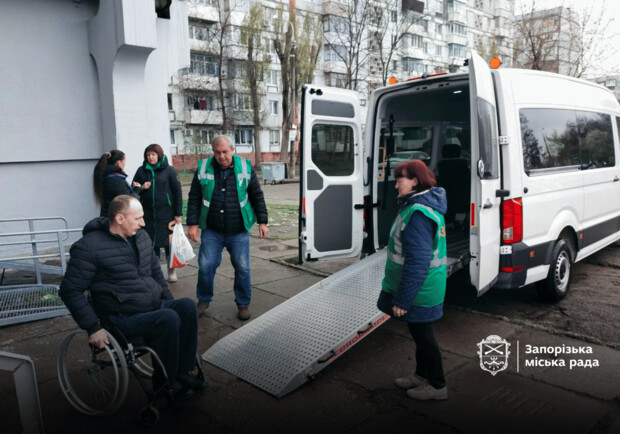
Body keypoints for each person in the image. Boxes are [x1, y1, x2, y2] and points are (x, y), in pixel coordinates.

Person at [59, 195, 207, 402]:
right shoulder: (89, 247)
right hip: (121, 317)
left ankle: (182, 371)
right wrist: (92, 327)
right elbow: (70, 290)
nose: (143, 223)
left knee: (187, 307)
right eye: (138, 218)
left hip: (151, 306)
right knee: (168, 318)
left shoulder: (141, 236)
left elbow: (155, 274)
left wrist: (168, 300)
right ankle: (165, 383)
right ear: (120, 218)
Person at [376, 159, 449, 401]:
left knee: (424, 336)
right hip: (422, 288)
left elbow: (418, 263)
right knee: (419, 334)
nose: (396, 185)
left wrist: (403, 300)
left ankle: (437, 385)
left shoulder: (418, 214)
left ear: (415, 181)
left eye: (400, 180)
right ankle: (421, 375)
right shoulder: (415, 207)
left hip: (421, 291)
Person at [186, 135, 268, 321]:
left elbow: (256, 195)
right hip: (212, 229)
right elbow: (194, 197)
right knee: (206, 266)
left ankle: (243, 303)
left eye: (225, 152)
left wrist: (263, 221)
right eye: (217, 152)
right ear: (213, 152)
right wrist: (192, 224)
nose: (221, 156)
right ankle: (203, 300)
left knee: (243, 268)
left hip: (238, 230)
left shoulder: (245, 167)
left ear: (232, 150)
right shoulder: (203, 167)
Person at [132, 144, 183, 282]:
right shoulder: (141, 171)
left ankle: (171, 271)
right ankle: (155, 272)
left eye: (153, 154)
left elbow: (177, 192)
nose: (150, 157)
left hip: (167, 214)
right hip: (148, 215)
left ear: (159, 155)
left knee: (168, 244)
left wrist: (178, 214)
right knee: (150, 243)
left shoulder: (169, 170)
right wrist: (142, 188)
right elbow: (133, 189)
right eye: (148, 155)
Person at [93, 150, 140, 217]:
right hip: (115, 219)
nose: (125, 164)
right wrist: (136, 190)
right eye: (124, 161)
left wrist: (132, 188)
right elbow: (128, 202)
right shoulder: (115, 179)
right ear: (119, 163)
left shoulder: (109, 176)